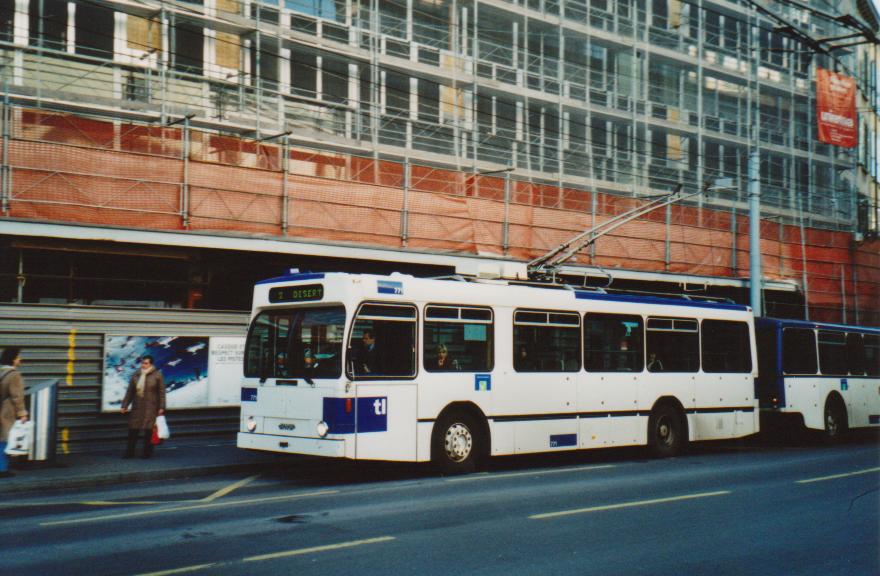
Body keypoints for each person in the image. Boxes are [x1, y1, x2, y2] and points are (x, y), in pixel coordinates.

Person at [121, 355, 166, 459]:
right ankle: (129, 453)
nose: (143, 365)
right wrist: (125, 405)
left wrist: (161, 407)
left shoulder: (157, 375)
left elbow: (161, 393)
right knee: (133, 431)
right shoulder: (136, 375)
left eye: (146, 363)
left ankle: (147, 453)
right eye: (142, 363)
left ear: (151, 364)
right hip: (137, 406)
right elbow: (130, 392)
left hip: (151, 407)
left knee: (148, 431)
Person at [0, 347, 29, 478]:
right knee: (5, 439)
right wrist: (22, 413)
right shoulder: (14, 375)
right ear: (13, 359)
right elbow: (17, 396)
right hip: (6, 411)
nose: (20, 359)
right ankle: (2, 468)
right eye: (18, 357)